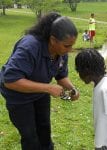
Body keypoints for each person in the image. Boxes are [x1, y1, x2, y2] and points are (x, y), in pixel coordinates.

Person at [0, 12, 79, 150]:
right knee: (30, 136)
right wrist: (48, 88)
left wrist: (73, 89)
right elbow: (10, 80)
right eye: (67, 46)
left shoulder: (61, 53)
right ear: (53, 40)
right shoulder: (30, 47)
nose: (70, 50)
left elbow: (61, 76)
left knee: (44, 129)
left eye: (72, 46)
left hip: (40, 92)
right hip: (18, 96)